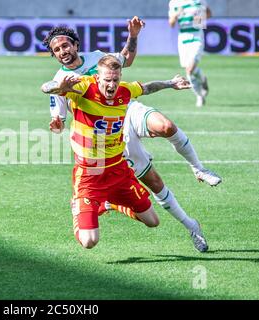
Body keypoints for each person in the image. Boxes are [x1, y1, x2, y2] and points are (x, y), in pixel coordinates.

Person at [42, 23, 221, 252]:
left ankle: (198, 168)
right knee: (154, 183)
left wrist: (133, 36)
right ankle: (190, 225)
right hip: (101, 140)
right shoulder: (65, 80)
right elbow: (56, 117)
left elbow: (126, 59)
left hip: (124, 111)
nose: (62, 51)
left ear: (75, 45)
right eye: (57, 50)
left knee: (165, 126)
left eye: (65, 45)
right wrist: (57, 118)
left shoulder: (98, 59)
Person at [168, 0, 212, 107]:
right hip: (183, 38)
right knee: (188, 69)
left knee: (189, 69)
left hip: (197, 35)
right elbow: (171, 23)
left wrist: (199, 18)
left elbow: (209, 13)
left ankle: (199, 96)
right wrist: (177, 13)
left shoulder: (198, 1)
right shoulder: (174, 3)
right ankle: (202, 79)